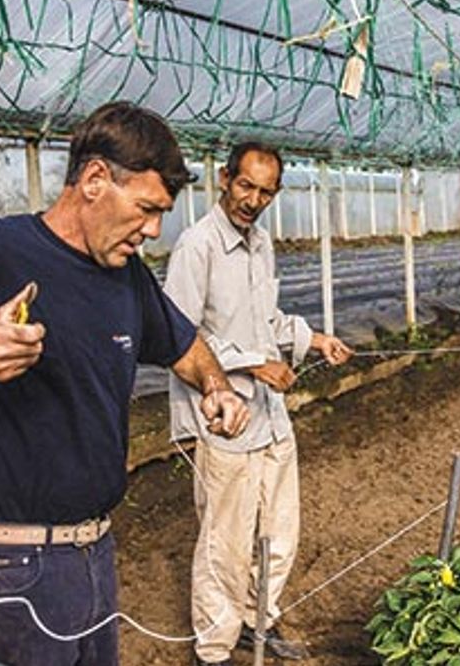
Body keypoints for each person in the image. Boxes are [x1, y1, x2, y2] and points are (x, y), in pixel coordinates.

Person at [0, 102, 250, 666]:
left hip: (93, 555)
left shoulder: (126, 276)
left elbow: (183, 344)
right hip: (8, 570)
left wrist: (216, 386)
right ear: (93, 180)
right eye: (146, 209)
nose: (154, 230)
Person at [164, 142, 354, 666]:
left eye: (265, 191)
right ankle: (215, 649)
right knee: (224, 540)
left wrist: (316, 340)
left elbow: (265, 321)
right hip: (223, 418)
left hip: (269, 416)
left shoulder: (261, 244)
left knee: (279, 530)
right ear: (224, 179)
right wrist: (251, 365)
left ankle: (257, 621)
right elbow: (176, 336)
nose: (252, 200)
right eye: (245, 186)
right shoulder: (196, 247)